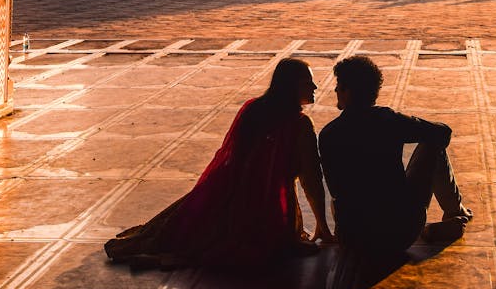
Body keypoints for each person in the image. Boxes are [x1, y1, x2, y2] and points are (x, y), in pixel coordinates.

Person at [105, 58, 333, 269]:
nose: (314, 87)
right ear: (291, 86)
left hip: (226, 194)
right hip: (266, 206)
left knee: (189, 231)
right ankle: (165, 259)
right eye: (307, 82)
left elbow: (232, 157)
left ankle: (162, 255)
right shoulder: (300, 125)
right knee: (258, 249)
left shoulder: (252, 108)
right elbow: (310, 178)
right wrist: (322, 225)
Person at [318, 54, 471, 258]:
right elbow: (443, 133)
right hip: (401, 232)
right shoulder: (387, 120)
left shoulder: (329, 134)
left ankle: (423, 230)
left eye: (339, 86)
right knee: (432, 145)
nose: (336, 90)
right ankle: (453, 212)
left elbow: (336, 191)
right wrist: (407, 125)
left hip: (353, 241)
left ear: (347, 91)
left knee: (344, 199)